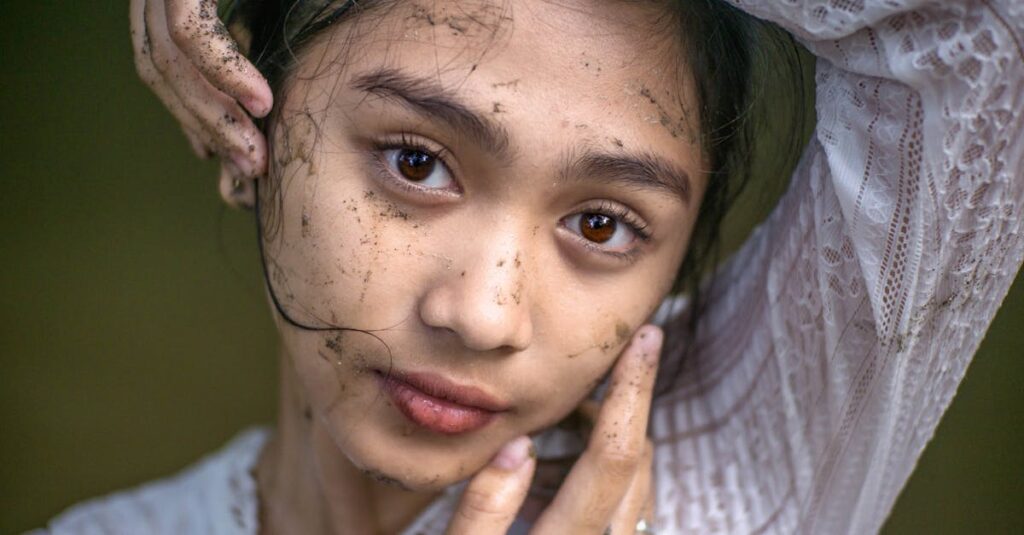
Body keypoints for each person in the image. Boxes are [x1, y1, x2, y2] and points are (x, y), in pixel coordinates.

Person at [40, 0, 1023, 533]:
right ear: (240, 127)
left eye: (602, 224)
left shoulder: (728, 475)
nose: (484, 313)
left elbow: (987, 35)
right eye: (415, 163)